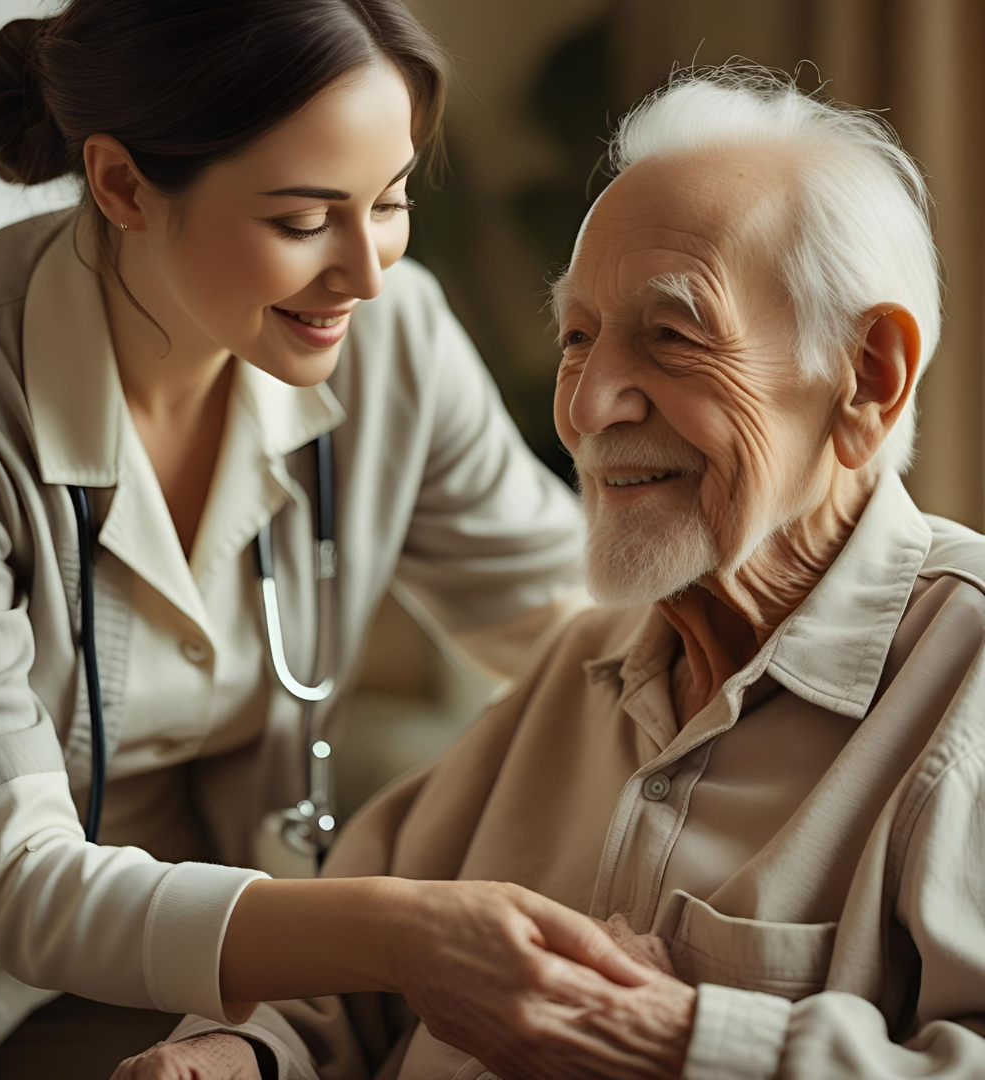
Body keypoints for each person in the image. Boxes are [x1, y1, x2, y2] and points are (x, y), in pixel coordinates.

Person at [116, 65, 985, 1080]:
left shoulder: (963, 682)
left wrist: (675, 1040)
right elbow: (338, 984)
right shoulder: (584, 657)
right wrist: (231, 1056)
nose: (594, 403)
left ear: (868, 375)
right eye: (578, 338)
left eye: (672, 335)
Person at [0, 2, 658, 1078]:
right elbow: (19, 882)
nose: (367, 271)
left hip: (225, 980)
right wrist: (405, 930)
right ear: (122, 185)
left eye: (389, 202)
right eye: (304, 221)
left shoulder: (393, 342)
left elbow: (572, 632)